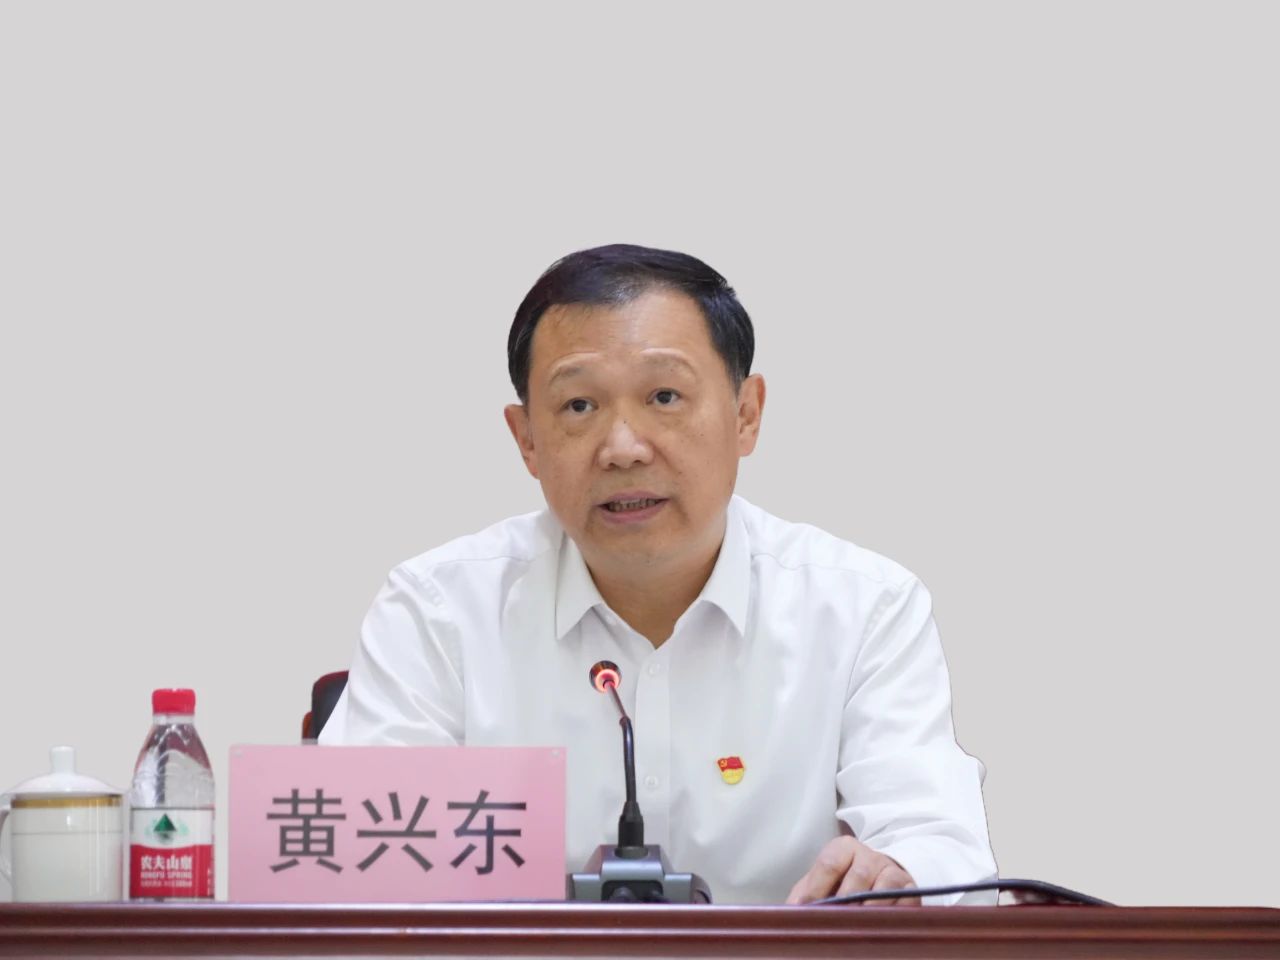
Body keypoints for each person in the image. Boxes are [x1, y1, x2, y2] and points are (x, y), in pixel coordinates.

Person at [320, 243, 998, 905]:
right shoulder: (438, 611)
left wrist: (900, 873)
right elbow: (348, 870)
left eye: (665, 396)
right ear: (526, 440)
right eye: (579, 406)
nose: (623, 448)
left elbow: (938, 847)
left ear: (746, 415)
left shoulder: (863, 610)